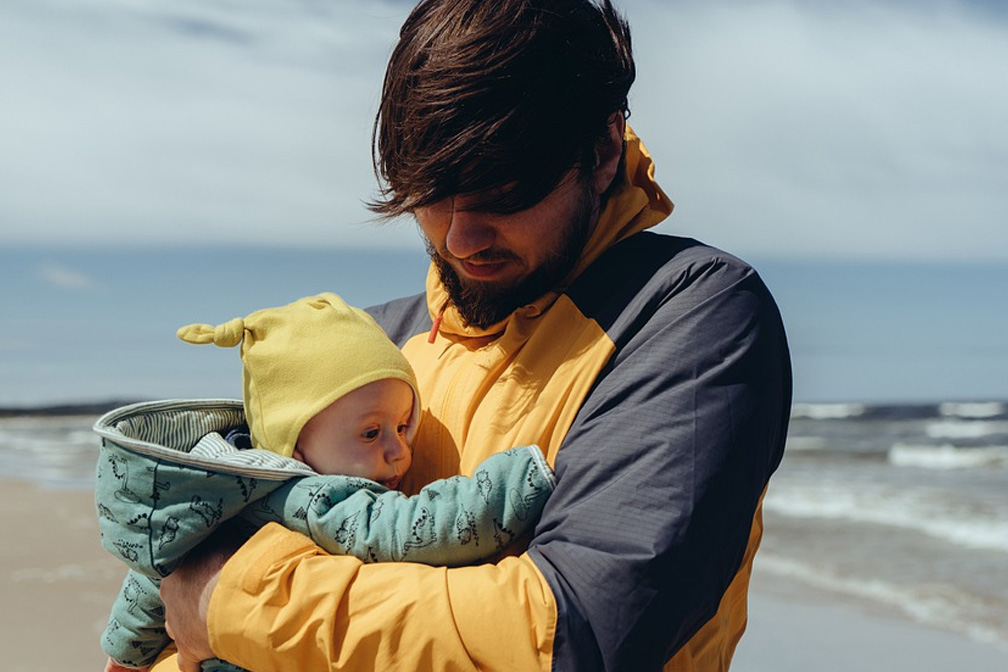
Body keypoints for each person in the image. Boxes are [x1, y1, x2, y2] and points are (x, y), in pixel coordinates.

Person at [156, 0, 792, 670]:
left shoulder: (689, 314)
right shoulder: (372, 346)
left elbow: (574, 634)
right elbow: (200, 574)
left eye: (504, 191)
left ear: (602, 151)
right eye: (429, 194)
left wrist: (236, 604)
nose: (460, 239)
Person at [96, 293, 554, 672]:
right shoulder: (315, 498)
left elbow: (149, 581)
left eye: (403, 425)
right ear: (294, 445)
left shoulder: (218, 490)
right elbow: (419, 529)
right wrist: (519, 480)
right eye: (371, 433)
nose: (399, 451)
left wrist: (125, 656)